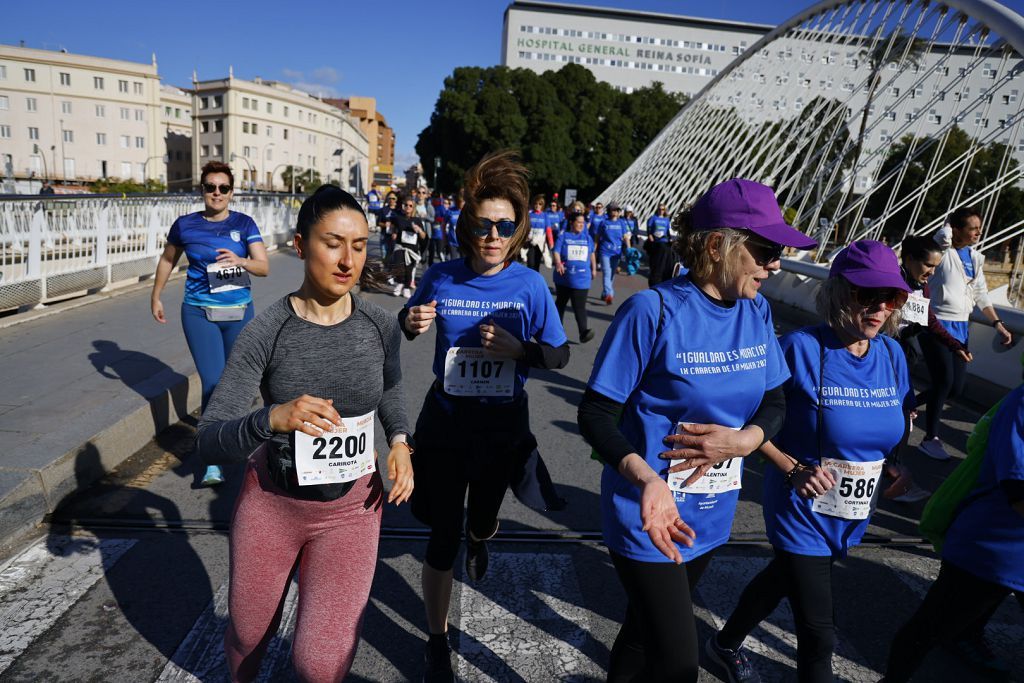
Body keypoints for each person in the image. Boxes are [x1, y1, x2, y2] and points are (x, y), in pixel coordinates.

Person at [578, 178, 815, 682]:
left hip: (711, 514)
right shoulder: (653, 310)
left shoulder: (756, 310)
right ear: (717, 245)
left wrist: (744, 441)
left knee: (643, 635)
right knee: (680, 664)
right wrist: (647, 480)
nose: (776, 264)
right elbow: (595, 413)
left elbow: (774, 401)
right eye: (767, 250)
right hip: (649, 516)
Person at [194, 185, 414, 682]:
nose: (347, 260)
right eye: (333, 243)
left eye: (359, 246)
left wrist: (400, 441)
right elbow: (208, 437)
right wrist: (270, 418)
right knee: (249, 636)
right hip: (273, 507)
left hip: (352, 512)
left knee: (319, 662)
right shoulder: (266, 331)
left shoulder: (380, 326)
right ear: (300, 245)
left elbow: (392, 389)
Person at [708, 240, 913, 683]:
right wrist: (790, 466)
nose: (880, 308)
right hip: (800, 507)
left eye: (891, 297)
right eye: (867, 295)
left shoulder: (893, 356)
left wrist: (895, 462)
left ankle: (722, 644)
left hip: (852, 510)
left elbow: (894, 424)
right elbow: (749, 422)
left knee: (781, 578)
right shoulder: (799, 348)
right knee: (819, 635)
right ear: (840, 293)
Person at [400, 151, 570, 682]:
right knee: (442, 534)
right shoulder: (441, 276)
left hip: (501, 427)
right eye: (484, 224)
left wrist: (522, 351)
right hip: (447, 422)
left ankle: (482, 533)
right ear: (466, 224)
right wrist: (410, 321)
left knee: (480, 520)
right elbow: (410, 325)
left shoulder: (529, 286)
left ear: (517, 230)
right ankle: (436, 641)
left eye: (504, 225)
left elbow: (559, 354)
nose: (493, 234)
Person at [882, 380, 1024, 682]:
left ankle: (966, 637)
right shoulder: (1021, 404)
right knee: (927, 630)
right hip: (993, 550)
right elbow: (1017, 488)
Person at [151, 161, 269, 487]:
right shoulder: (185, 225)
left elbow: (264, 267)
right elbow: (167, 259)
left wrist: (240, 260)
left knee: (240, 382)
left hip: (239, 313)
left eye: (223, 188)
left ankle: (239, 437)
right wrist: (156, 296)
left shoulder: (244, 224)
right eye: (210, 187)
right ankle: (212, 458)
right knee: (213, 383)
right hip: (199, 312)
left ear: (231, 192)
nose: (216, 193)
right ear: (201, 189)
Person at [918, 206, 1012, 460]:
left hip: (961, 326)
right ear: (957, 230)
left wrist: (998, 324)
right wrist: (949, 227)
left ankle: (908, 407)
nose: (978, 233)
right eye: (972, 228)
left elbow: (981, 295)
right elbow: (940, 236)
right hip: (935, 323)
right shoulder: (942, 251)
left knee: (956, 388)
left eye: (979, 228)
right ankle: (930, 438)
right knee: (944, 381)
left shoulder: (976, 258)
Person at [891, 235, 972, 503]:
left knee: (900, 420)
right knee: (897, 421)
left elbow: (929, 320)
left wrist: (954, 345)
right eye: (928, 265)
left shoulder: (920, 286)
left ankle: (893, 476)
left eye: (936, 267)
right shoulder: (891, 282)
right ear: (910, 259)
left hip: (901, 360)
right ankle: (893, 479)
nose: (932, 273)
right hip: (882, 358)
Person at [552, 211, 597, 343]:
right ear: (572, 223)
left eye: (583, 223)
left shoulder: (587, 237)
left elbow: (592, 254)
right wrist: (558, 263)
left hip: (582, 278)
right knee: (560, 304)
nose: (581, 225)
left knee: (580, 307)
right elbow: (556, 251)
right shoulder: (564, 236)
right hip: (564, 278)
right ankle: (556, 331)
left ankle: (583, 332)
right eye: (579, 222)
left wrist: (594, 269)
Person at [390, 195, 426, 298]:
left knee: (409, 270)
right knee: (398, 266)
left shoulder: (417, 220)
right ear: (403, 206)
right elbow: (394, 228)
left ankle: (406, 288)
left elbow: (424, 236)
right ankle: (400, 283)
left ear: (413, 207)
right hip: (400, 247)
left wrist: (419, 230)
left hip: (412, 249)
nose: (408, 207)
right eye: (406, 205)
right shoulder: (398, 218)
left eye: (411, 205)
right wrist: (394, 233)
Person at [595, 202, 630, 305]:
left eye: (617, 210)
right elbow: (597, 236)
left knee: (612, 273)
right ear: (609, 211)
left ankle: (604, 292)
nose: (615, 212)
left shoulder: (621, 223)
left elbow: (625, 236)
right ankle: (609, 293)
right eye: (613, 210)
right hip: (605, 251)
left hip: (616, 252)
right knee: (607, 272)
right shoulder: (604, 223)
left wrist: (630, 249)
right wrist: (594, 248)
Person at [645, 203, 674, 287]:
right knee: (655, 260)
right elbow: (649, 229)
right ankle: (654, 277)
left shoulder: (666, 219)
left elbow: (668, 231)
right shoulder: (653, 218)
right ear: (657, 209)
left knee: (663, 260)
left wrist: (670, 239)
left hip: (664, 241)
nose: (661, 211)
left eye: (663, 209)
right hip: (655, 242)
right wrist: (650, 236)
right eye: (660, 209)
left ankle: (660, 277)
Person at [526, 194, 554, 271]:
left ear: (543, 205)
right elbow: (525, 228)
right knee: (530, 263)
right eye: (536, 203)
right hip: (530, 242)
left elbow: (548, 230)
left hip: (540, 243)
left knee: (536, 263)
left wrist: (551, 242)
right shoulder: (529, 215)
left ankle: (535, 280)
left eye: (540, 204)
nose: (537, 205)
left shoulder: (545, 216)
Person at [378, 192, 400, 263]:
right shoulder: (383, 210)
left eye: (393, 198)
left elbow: (401, 224)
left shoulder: (399, 211)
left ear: (396, 199)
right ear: (387, 199)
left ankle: (389, 271)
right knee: (384, 256)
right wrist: (384, 224)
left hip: (394, 237)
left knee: (392, 256)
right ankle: (385, 271)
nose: (391, 200)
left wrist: (395, 229)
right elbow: (378, 222)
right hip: (384, 235)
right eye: (390, 198)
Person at [446, 193, 463, 261]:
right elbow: (444, 223)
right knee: (453, 261)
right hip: (452, 241)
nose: (460, 204)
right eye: (459, 202)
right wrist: (444, 238)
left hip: (464, 242)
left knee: (465, 263)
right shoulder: (450, 211)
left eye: (462, 202)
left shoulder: (468, 211)